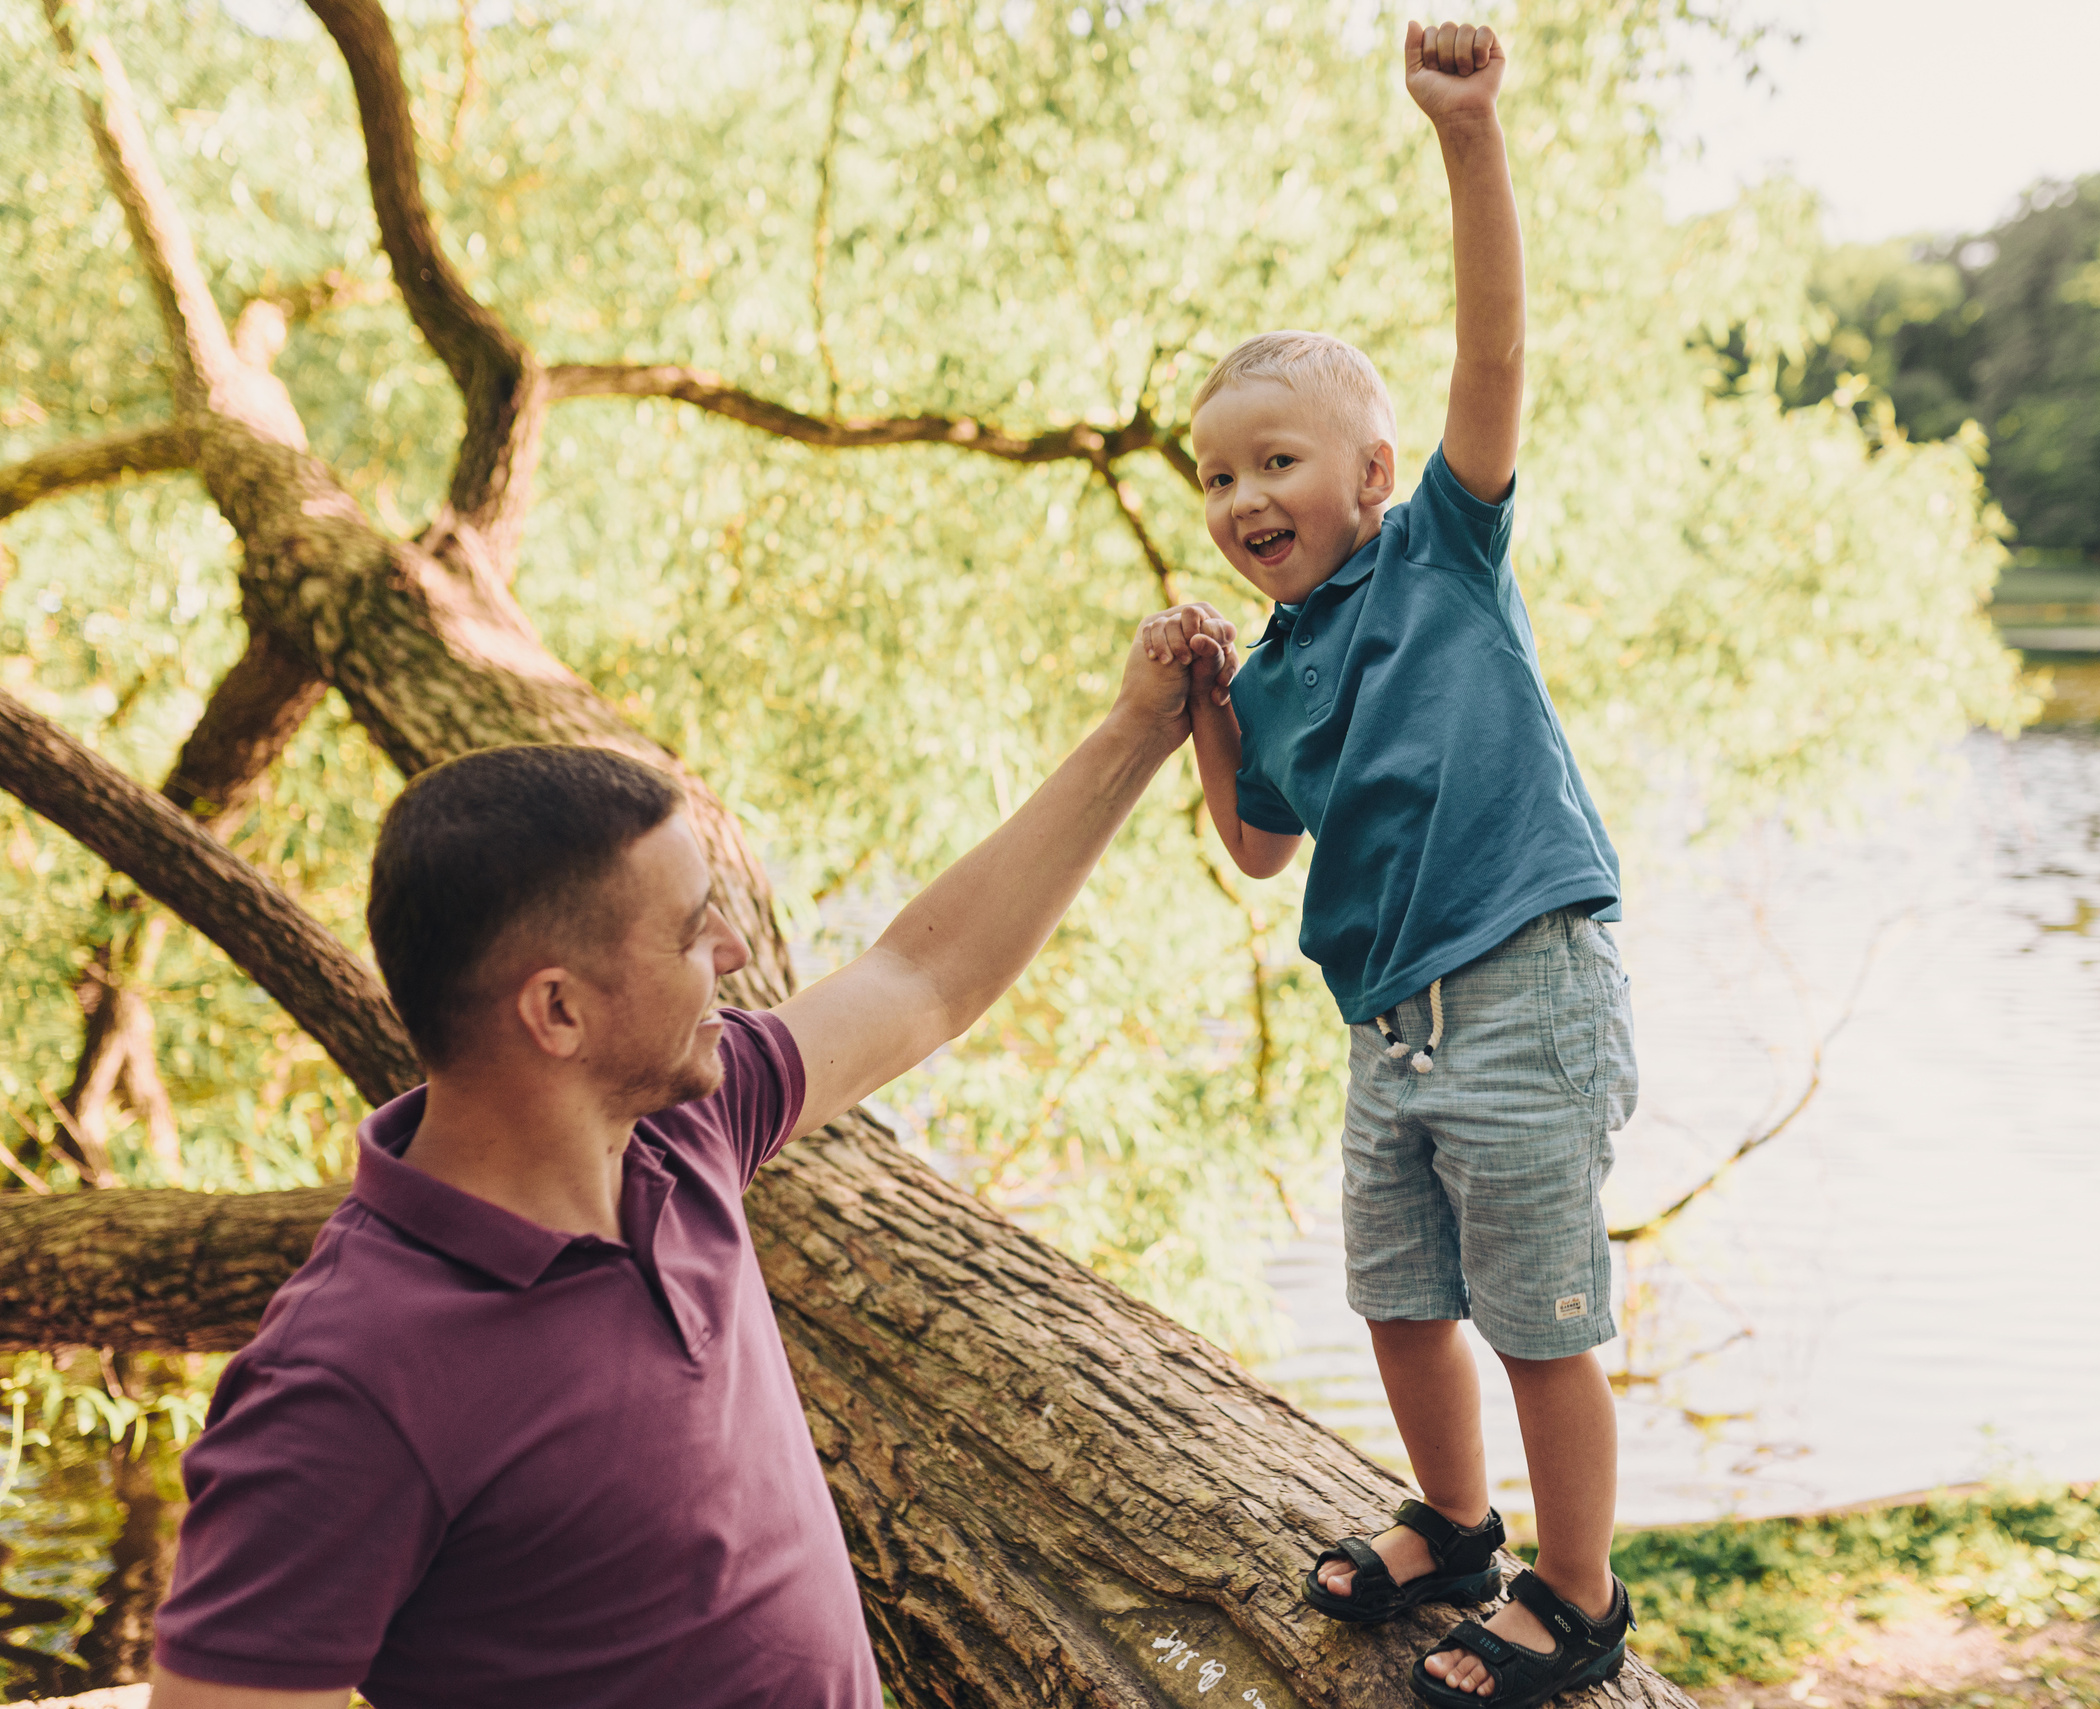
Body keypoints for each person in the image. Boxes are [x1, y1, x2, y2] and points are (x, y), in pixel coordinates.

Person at [144, 626, 1203, 1708]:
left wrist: (1135, 732)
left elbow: (925, 974)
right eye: (694, 932)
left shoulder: (681, 1130)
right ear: (558, 1009)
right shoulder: (350, 1375)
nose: (735, 954)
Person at [1136, 18, 1639, 1708]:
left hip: (1517, 981)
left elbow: (1491, 355)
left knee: (1540, 1312)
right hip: (1386, 1027)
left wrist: (1468, 137)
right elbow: (1261, 843)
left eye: (1272, 461)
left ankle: (1578, 1594)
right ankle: (1458, 1517)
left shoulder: (1442, 551)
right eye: (1213, 474)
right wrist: (1206, 704)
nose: (1237, 495)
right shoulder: (1273, 671)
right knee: (1399, 1293)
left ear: (1365, 473)